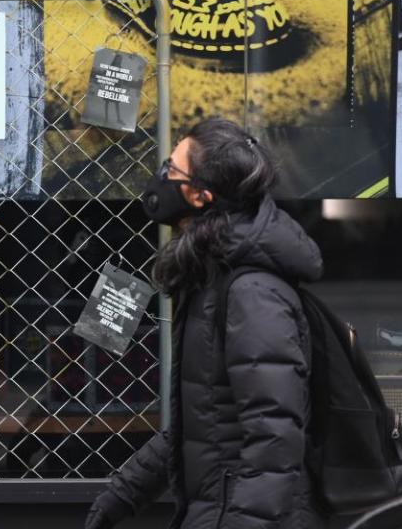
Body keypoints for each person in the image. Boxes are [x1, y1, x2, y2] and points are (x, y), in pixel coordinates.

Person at [85, 118, 329, 528]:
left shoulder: (252, 294)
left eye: (172, 170)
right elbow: (201, 424)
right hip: (217, 507)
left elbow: (274, 441)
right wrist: (119, 498)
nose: (160, 177)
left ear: (200, 195)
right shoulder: (215, 277)